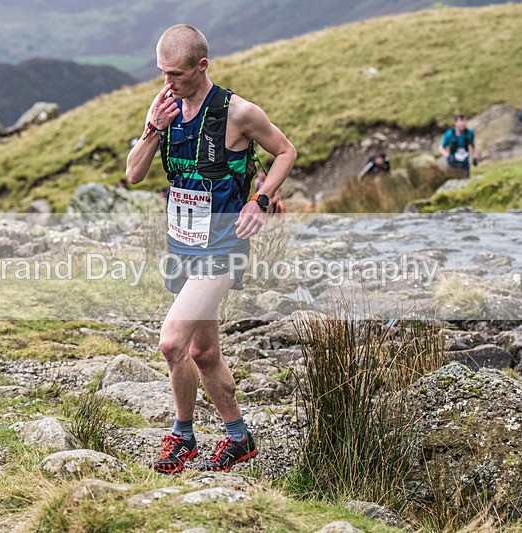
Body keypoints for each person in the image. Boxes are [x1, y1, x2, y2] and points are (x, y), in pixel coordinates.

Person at [126, 24, 296, 473]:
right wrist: (152, 128)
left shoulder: (239, 112)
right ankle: (239, 438)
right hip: (182, 244)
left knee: (170, 343)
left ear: (202, 66)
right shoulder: (164, 106)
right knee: (204, 353)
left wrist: (261, 201)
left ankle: (182, 437)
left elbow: (285, 152)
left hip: (223, 246)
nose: (169, 84)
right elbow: (133, 174)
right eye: (162, 73)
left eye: (177, 75)